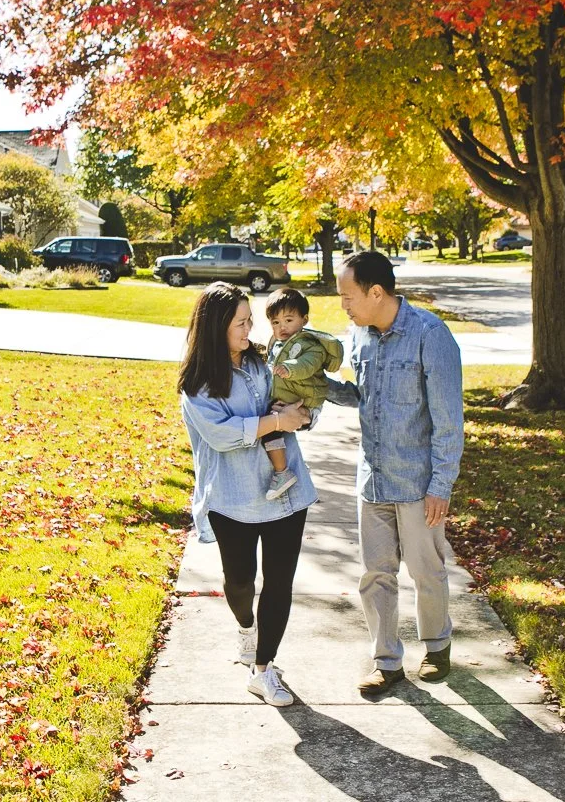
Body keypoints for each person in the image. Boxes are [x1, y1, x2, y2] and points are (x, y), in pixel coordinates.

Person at [328, 251, 464, 699]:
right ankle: (386, 662)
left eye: (348, 295)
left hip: (418, 481)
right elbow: (361, 397)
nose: (343, 304)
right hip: (374, 478)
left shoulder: (430, 335)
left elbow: (448, 421)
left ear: (376, 292)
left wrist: (440, 485)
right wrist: (316, 386)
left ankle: (437, 645)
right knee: (376, 574)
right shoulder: (360, 337)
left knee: (427, 570)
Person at [178, 282, 317, 707]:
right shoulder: (198, 385)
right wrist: (276, 423)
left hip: (285, 490)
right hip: (233, 497)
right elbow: (223, 436)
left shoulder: (263, 361)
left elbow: (298, 398)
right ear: (216, 326)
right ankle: (245, 628)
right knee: (239, 584)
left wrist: (303, 415)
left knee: (279, 583)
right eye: (240, 322)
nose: (249, 328)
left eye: (249, 320)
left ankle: (263, 668)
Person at [259, 288, 344, 500]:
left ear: (304, 319)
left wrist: (289, 368)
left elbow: (307, 364)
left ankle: (283, 473)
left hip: (305, 403)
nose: (282, 327)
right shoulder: (279, 344)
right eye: (275, 322)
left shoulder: (310, 344)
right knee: (271, 428)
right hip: (290, 399)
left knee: (270, 429)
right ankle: (293, 466)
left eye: (288, 320)